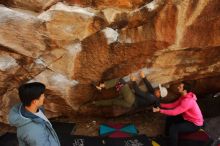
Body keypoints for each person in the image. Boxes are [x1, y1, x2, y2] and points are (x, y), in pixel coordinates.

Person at [153, 81, 204, 146]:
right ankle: (167, 136)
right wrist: (161, 105)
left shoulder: (187, 101)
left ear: (184, 90)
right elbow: (173, 105)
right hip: (188, 118)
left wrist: (160, 110)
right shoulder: (184, 96)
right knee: (169, 118)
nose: (178, 87)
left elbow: (174, 112)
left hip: (194, 124)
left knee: (174, 129)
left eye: (180, 87)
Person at [93, 71, 168, 108]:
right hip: (129, 104)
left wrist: (133, 81)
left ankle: (101, 86)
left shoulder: (151, 97)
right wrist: (144, 77)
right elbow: (149, 87)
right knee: (113, 101)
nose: (157, 89)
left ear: (159, 94)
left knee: (120, 81)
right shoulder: (155, 96)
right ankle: (95, 103)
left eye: (158, 90)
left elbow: (138, 92)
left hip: (131, 99)